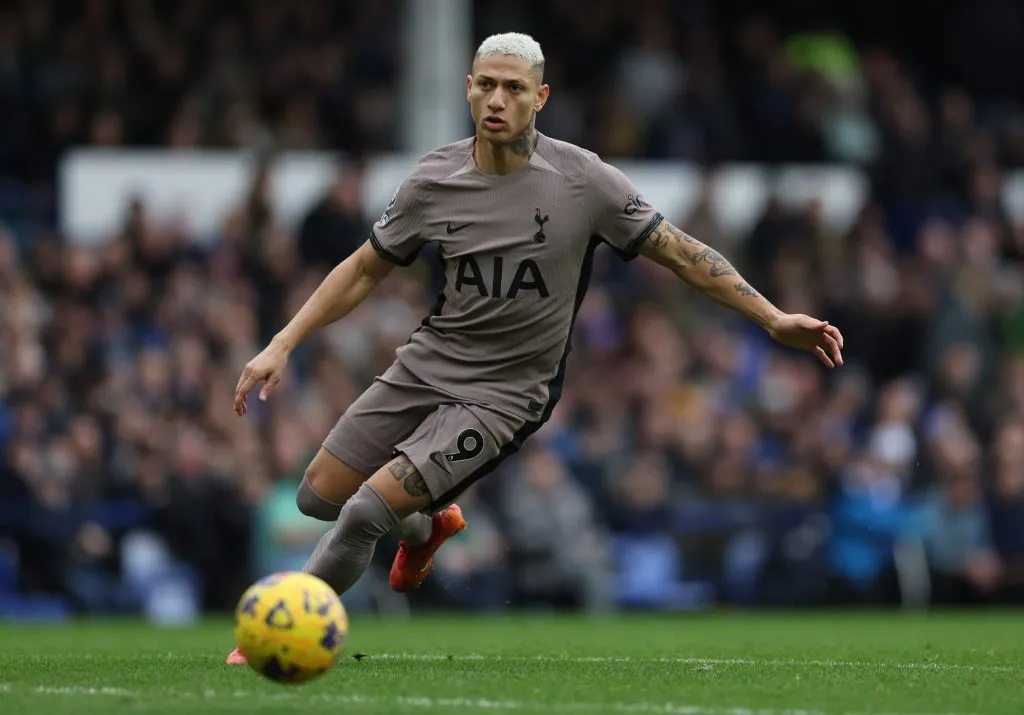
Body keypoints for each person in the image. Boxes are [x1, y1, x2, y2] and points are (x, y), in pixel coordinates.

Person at [226, 32, 844, 664]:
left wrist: (771, 318)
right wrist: (282, 344)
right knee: (316, 498)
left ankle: (276, 636)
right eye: (486, 84)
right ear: (468, 89)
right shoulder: (434, 178)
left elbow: (683, 252)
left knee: (359, 516)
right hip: (428, 363)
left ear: (540, 97)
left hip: (506, 394)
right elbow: (363, 269)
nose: (497, 99)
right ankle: (428, 523)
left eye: (514, 88)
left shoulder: (584, 181)